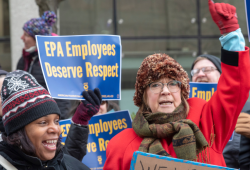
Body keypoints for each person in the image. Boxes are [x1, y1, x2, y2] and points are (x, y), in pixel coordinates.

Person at [103, 1, 250, 169]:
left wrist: (230, 33)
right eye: (155, 85)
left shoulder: (207, 121)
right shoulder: (121, 144)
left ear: (181, 91)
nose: (165, 91)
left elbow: (235, 87)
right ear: (143, 96)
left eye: (173, 84)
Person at [0, 70, 90, 169]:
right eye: (43, 122)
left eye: (56, 121)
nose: (56, 129)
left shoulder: (74, 166)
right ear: (18, 132)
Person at [191, 54, 250, 169]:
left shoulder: (246, 108)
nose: (201, 74)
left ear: (223, 76)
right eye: (195, 71)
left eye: (207, 69)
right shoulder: (185, 112)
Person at [16, 11, 71, 119]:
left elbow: (62, 98)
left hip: (48, 120)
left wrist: (59, 122)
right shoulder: (24, 59)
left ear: (37, 38)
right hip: (28, 118)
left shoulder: (54, 60)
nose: (22, 38)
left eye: (26, 35)